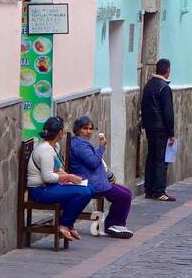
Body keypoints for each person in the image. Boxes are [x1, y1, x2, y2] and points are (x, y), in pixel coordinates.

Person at [27, 116, 92, 240]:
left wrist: (69, 178)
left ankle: (69, 223)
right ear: (60, 132)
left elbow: (57, 169)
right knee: (83, 193)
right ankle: (64, 224)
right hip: (40, 190)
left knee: (90, 188)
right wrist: (68, 177)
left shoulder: (54, 147)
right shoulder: (44, 150)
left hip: (51, 186)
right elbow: (47, 177)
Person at [68, 116, 134, 238]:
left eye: (91, 129)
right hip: (91, 182)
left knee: (126, 192)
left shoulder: (81, 143)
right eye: (85, 128)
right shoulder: (79, 145)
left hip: (97, 180)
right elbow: (93, 162)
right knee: (123, 196)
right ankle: (113, 224)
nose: (88, 132)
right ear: (78, 130)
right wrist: (102, 147)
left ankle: (115, 223)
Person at [140, 58, 176, 201]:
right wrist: (171, 132)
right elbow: (168, 112)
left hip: (150, 128)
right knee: (161, 160)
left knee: (151, 158)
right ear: (167, 70)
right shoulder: (164, 88)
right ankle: (159, 191)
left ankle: (149, 190)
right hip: (161, 129)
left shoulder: (148, 85)